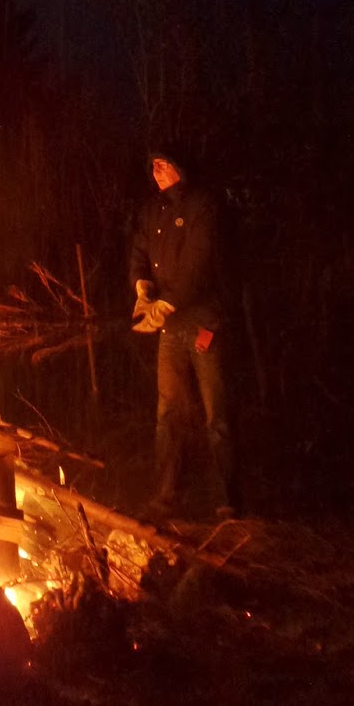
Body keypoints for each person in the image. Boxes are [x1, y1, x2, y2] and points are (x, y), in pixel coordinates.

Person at [129, 147, 237, 523]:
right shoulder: (151, 210)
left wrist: (166, 304)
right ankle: (166, 497)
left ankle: (227, 500)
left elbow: (198, 263)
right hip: (170, 328)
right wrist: (141, 285)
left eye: (163, 164)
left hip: (204, 322)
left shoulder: (202, 205)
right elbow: (139, 250)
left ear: (180, 166)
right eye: (153, 166)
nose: (156, 171)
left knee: (215, 412)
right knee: (168, 413)